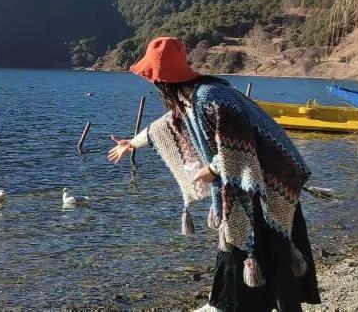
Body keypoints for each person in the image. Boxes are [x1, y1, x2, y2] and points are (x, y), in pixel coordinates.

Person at [108, 37, 320, 312]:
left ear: (161, 80)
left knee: (275, 258)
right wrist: (131, 144)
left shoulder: (211, 96)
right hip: (249, 184)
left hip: (270, 184)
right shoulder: (188, 99)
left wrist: (212, 169)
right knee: (260, 257)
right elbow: (162, 128)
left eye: (152, 77)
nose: (152, 83)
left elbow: (240, 146)